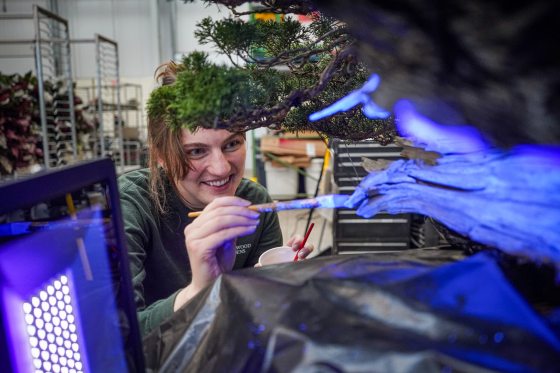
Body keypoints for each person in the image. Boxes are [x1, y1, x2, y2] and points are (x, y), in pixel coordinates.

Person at [118, 60, 314, 335]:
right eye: (196, 151)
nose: (222, 168)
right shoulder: (131, 205)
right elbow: (119, 335)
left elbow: (260, 322)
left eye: (232, 143)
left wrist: (271, 280)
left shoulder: (255, 202)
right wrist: (199, 290)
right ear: (161, 156)